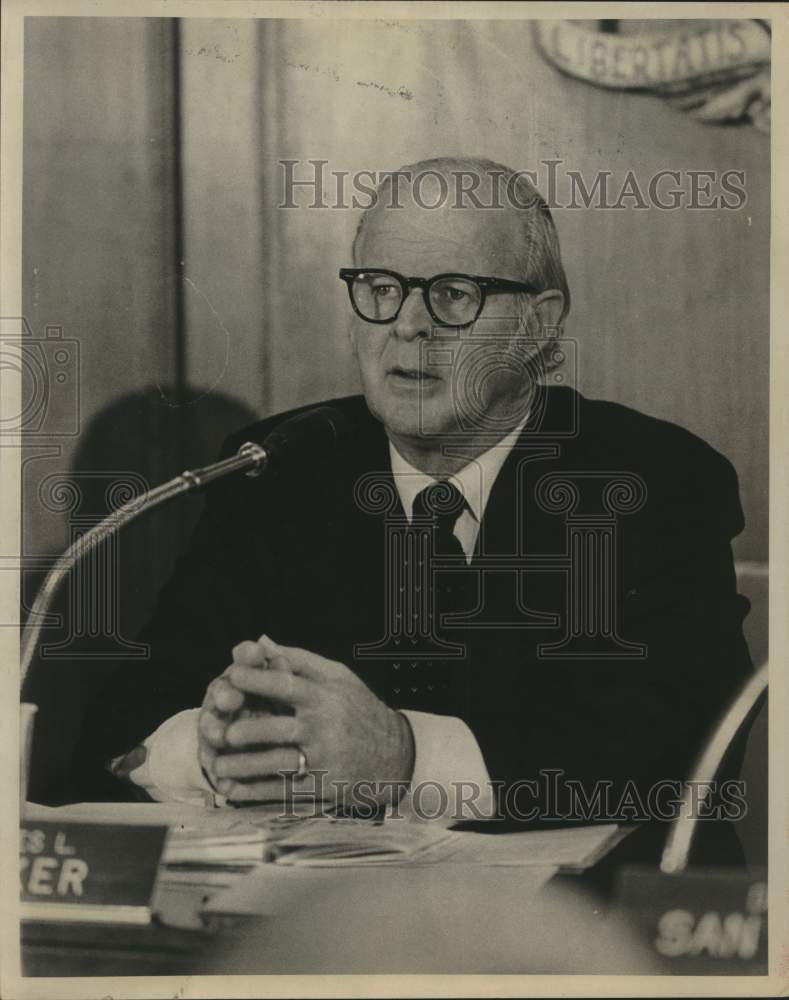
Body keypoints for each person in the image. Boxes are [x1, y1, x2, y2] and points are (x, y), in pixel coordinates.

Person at [57, 158, 752, 844]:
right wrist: (211, 747)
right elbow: (123, 724)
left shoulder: (654, 480)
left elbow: (689, 749)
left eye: (453, 294)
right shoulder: (277, 469)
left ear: (538, 326)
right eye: (381, 287)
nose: (408, 325)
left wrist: (402, 758)